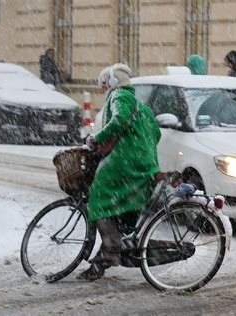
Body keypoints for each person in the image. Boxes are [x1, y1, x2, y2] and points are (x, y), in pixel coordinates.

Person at [77, 64, 162, 281]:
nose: (103, 89)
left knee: (99, 197)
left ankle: (111, 250)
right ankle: (111, 252)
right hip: (147, 164)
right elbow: (157, 133)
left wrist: (98, 138)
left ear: (113, 83)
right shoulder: (142, 107)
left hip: (127, 161)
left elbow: (120, 119)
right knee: (123, 207)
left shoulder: (119, 96)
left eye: (104, 85)